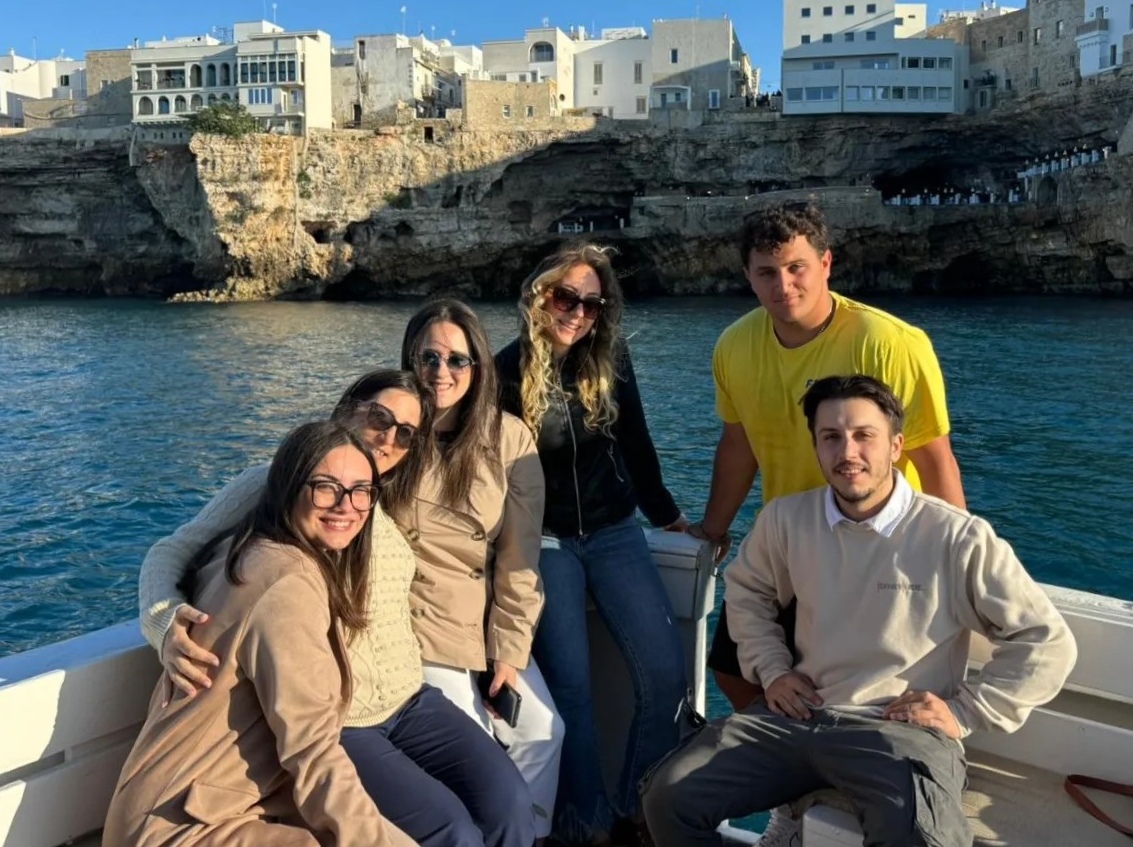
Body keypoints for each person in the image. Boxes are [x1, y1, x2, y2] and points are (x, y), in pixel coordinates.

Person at [642, 375, 1077, 847]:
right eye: (831, 437)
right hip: (796, 717)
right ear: (816, 447)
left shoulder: (955, 537)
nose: (847, 452)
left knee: (922, 839)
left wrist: (965, 712)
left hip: (895, 731)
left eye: (863, 436)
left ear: (896, 446)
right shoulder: (786, 521)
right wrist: (773, 671)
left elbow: (1047, 640)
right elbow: (748, 594)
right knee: (668, 798)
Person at [136, 370, 536, 847]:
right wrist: (164, 622)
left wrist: (502, 647)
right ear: (349, 409)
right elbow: (173, 550)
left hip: (411, 699)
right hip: (344, 718)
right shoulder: (278, 485)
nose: (390, 439)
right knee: (450, 828)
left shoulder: (380, 501)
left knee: (511, 801)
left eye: (407, 434)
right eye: (380, 418)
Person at [687, 201, 966, 845]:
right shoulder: (734, 346)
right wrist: (712, 528)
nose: (783, 287)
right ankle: (800, 778)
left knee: (861, 694)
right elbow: (739, 445)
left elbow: (933, 455)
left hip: (882, 556)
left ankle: (833, 778)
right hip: (790, 552)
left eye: (796, 268)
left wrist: (955, 557)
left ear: (826, 264)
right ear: (746, 275)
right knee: (730, 664)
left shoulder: (890, 343)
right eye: (765, 273)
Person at [106, 422, 413, 847]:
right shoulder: (287, 583)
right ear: (288, 486)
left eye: (362, 490)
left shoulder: (247, 548)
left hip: (181, 806)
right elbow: (313, 753)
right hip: (184, 829)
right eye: (326, 487)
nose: (347, 506)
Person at [495, 245, 688, 846]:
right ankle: (590, 823)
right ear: (539, 295)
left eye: (592, 304)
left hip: (615, 531)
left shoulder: (612, 360)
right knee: (572, 688)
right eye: (566, 297)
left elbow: (638, 446)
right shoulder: (501, 373)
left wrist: (672, 518)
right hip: (544, 541)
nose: (578, 313)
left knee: (665, 674)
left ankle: (638, 803)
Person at [401, 299, 564, 842]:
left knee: (545, 732)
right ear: (409, 360)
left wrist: (510, 654)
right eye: (428, 357)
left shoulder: (509, 438)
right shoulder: (390, 430)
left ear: (478, 369)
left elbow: (520, 560)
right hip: (415, 625)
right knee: (475, 751)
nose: (440, 373)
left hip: (481, 621)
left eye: (457, 360)